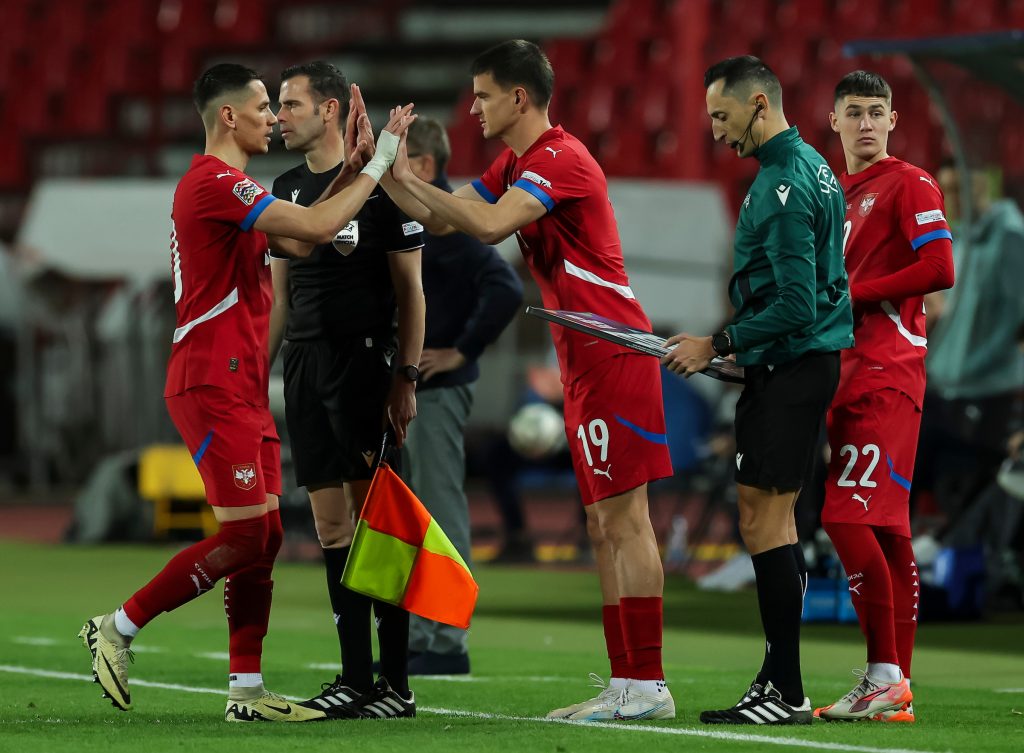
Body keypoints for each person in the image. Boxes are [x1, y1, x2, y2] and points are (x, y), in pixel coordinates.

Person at [78, 62, 413, 721]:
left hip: (239, 383)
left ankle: (245, 692)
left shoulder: (232, 187)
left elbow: (305, 239)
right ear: (228, 116)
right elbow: (317, 231)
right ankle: (117, 626)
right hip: (210, 380)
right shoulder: (213, 183)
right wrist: (381, 165)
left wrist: (353, 167)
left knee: (263, 538)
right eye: (264, 105)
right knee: (240, 538)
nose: (273, 117)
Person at [380, 39, 676, 720]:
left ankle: (648, 682)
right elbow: (442, 215)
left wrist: (408, 181)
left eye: (482, 95)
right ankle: (627, 681)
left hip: (614, 351)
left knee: (627, 521)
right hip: (581, 357)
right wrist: (389, 173)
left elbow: (482, 225)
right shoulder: (517, 160)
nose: (473, 107)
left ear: (519, 97)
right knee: (603, 525)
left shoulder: (561, 160)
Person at [663, 55, 853, 725]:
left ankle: (788, 690)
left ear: (758, 107)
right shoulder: (809, 168)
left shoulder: (782, 183)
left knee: (769, 520)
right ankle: (776, 679)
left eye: (722, 115)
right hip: (789, 363)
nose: (716, 131)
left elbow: (797, 305)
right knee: (757, 515)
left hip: (794, 364)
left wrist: (715, 343)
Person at [266, 62, 424, 718]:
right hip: (304, 368)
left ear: (330, 109)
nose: (280, 115)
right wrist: (256, 375)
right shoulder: (283, 188)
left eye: (292, 103)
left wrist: (405, 376)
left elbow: (413, 293)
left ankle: (395, 683)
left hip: (363, 367)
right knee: (332, 526)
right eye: (278, 104)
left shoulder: (384, 191)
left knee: (379, 526)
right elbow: (279, 300)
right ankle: (355, 677)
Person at [813, 71, 955, 722]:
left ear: (893, 121)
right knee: (890, 530)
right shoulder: (836, 195)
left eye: (877, 112)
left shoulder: (910, 182)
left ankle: (883, 672)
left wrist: (855, 294)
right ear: (833, 121)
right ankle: (896, 686)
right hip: (851, 371)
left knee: (844, 517)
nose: (866, 122)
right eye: (855, 112)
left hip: (888, 369)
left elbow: (939, 268)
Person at [397, 116, 523, 675]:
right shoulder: (418, 223)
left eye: (395, 160)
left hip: (439, 392)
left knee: (439, 511)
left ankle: (445, 643)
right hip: (413, 391)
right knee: (414, 513)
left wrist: (461, 351)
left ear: (423, 167)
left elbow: (505, 287)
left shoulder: (448, 227)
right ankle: (422, 634)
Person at [913, 160, 1024, 533]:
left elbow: (1017, 320)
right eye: (946, 190)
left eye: (960, 188)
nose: (952, 198)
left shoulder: (1010, 237)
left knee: (965, 493)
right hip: (947, 389)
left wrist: (969, 364)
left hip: (985, 391)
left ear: (983, 186)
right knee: (915, 474)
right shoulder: (959, 238)